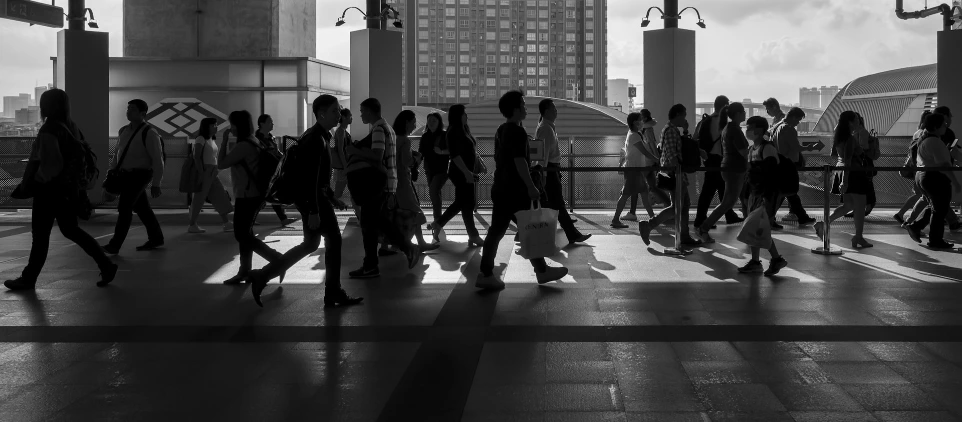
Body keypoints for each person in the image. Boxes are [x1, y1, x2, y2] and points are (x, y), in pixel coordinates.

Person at [247, 95, 361, 307]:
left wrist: (332, 198)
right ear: (321, 114)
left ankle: (262, 276)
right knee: (334, 240)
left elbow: (317, 177)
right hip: (313, 200)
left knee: (311, 243)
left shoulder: (319, 136)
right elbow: (311, 180)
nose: (339, 114)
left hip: (313, 199)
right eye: (335, 111)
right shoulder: (315, 140)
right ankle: (333, 292)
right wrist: (314, 211)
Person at [4, 89, 118, 291]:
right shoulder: (71, 127)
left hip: (49, 192)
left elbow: (51, 165)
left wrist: (35, 183)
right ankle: (106, 265)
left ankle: (28, 279)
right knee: (71, 230)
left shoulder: (49, 130)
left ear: (46, 106)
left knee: (40, 236)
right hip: (67, 190)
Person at [477, 91, 568, 290]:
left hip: (502, 188)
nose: (526, 108)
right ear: (516, 109)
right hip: (515, 191)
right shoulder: (516, 132)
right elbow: (519, 162)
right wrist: (532, 187)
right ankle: (538, 271)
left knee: (509, 231)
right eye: (523, 104)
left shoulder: (502, 129)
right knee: (527, 230)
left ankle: (490, 272)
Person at [345, 98, 420, 279]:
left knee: (369, 225)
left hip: (378, 182)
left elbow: (377, 156)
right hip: (387, 182)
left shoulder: (378, 129)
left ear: (370, 111)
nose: (361, 114)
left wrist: (354, 151)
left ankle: (372, 265)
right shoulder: (388, 128)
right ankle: (403, 249)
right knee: (379, 222)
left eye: (362, 111)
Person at [217, 111, 283, 285]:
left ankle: (276, 258)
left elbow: (221, 163)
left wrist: (224, 140)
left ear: (238, 125)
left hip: (247, 195)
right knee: (246, 233)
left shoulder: (243, 145)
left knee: (241, 234)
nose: (230, 128)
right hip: (255, 194)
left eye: (232, 125)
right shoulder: (254, 141)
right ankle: (244, 271)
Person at [102, 99, 165, 255]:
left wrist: (156, 183)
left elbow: (158, 160)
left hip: (140, 175)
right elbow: (118, 153)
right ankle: (156, 238)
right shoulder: (124, 131)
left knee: (124, 207)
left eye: (132, 109)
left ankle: (114, 245)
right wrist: (111, 171)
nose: (128, 112)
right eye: (128, 108)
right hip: (126, 175)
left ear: (143, 114)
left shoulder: (149, 133)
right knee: (142, 208)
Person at [639, 104, 702, 247]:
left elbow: (679, 148)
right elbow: (672, 154)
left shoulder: (669, 130)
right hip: (676, 175)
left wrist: (686, 131)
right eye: (684, 115)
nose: (685, 119)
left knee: (683, 205)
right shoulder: (671, 131)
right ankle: (649, 225)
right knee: (678, 206)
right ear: (678, 115)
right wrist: (678, 172)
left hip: (676, 174)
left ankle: (684, 235)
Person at [814, 111, 873, 249]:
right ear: (850, 122)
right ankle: (858, 237)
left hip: (841, 170)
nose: (859, 122)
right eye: (857, 120)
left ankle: (824, 224)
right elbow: (849, 160)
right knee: (859, 207)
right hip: (853, 174)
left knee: (849, 205)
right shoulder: (850, 139)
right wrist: (845, 182)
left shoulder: (839, 136)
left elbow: (840, 157)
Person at [428, 105, 484, 247]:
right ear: (458, 116)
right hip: (460, 172)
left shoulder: (463, 129)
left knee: (465, 203)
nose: (466, 116)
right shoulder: (453, 132)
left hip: (466, 172)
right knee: (465, 202)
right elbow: (455, 155)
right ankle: (472, 235)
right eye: (464, 113)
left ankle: (441, 225)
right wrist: (467, 173)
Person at [536, 99, 591, 244]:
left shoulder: (548, 127)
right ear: (546, 111)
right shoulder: (546, 129)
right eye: (553, 108)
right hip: (550, 169)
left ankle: (565, 234)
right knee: (557, 203)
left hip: (552, 169)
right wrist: (544, 174)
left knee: (553, 204)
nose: (556, 111)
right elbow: (544, 154)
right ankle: (572, 234)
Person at [739, 116, 788, 275]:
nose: (748, 130)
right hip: (755, 194)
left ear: (759, 130)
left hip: (766, 195)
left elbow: (772, 173)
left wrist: (767, 197)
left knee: (757, 227)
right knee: (757, 228)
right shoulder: (752, 149)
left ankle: (770, 260)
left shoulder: (767, 148)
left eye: (750, 127)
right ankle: (762, 261)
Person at [905, 113, 961, 249]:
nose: (946, 126)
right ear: (936, 127)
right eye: (943, 124)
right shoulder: (935, 142)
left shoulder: (924, 140)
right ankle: (935, 239)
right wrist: (955, 182)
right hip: (934, 178)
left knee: (937, 207)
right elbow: (944, 165)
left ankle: (916, 227)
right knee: (939, 209)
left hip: (924, 176)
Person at [696, 103, 749, 243]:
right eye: (743, 112)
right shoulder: (735, 130)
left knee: (745, 200)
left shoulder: (728, 128)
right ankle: (704, 228)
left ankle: (749, 230)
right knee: (727, 203)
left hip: (730, 167)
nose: (745, 114)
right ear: (737, 114)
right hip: (735, 169)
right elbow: (743, 151)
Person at [392, 110, 440, 253]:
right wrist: (417, 158)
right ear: (406, 123)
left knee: (397, 211)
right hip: (403, 180)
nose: (414, 126)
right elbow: (406, 161)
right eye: (413, 123)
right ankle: (416, 243)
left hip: (392, 180)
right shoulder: (405, 140)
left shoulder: (393, 138)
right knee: (413, 208)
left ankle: (402, 243)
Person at [613, 110, 668, 227]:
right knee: (626, 195)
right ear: (634, 122)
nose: (641, 122)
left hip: (636, 170)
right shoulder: (635, 136)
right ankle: (615, 219)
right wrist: (657, 159)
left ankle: (654, 220)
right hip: (634, 170)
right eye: (639, 120)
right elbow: (644, 151)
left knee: (644, 194)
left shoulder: (633, 133)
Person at [187, 117, 234, 234]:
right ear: (207, 126)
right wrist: (201, 173)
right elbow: (196, 157)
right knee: (199, 198)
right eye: (214, 125)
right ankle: (192, 224)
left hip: (212, 171)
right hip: (205, 171)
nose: (216, 127)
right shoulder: (201, 138)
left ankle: (226, 222)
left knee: (219, 195)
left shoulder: (211, 139)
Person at [771, 107, 815, 225]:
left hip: (779, 162)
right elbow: (795, 147)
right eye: (798, 120)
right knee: (787, 191)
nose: (798, 123)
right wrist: (808, 148)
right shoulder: (789, 129)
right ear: (793, 117)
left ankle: (802, 216)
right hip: (789, 164)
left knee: (788, 192)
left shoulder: (777, 126)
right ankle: (768, 215)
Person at [254, 114, 296, 225]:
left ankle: (283, 219)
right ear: (262, 124)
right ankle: (249, 219)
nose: (272, 124)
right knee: (263, 196)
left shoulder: (271, 137)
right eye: (270, 122)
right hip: (264, 171)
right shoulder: (258, 139)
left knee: (271, 194)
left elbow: (276, 152)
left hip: (273, 170)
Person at [895, 111, 933, 225]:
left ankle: (903, 215)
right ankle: (905, 217)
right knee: (922, 195)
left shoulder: (917, 132)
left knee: (921, 195)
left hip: (916, 168)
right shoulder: (923, 134)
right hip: (919, 168)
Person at [418, 112, 450, 239]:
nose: (431, 123)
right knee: (435, 194)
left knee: (433, 191)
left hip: (442, 169)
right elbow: (421, 153)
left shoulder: (444, 135)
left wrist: (441, 152)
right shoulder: (425, 136)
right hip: (429, 169)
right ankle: (439, 222)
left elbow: (452, 150)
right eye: (429, 120)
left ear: (439, 122)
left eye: (434, 121)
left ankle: (437, 222)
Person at [330, 108, 352, 208]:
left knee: (340, 192)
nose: (351, 118)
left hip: (344, 166)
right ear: (344, 117)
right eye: (350, 116)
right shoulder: (341, 131)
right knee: (338, 193)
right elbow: (340, 150)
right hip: (343, 167)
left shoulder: (342, 131)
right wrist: (345, 166)